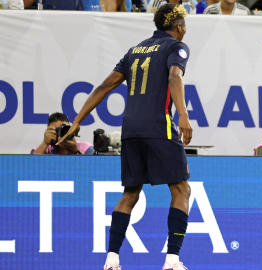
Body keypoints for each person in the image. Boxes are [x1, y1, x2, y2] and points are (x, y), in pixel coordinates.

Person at [57, 4, 192, 270]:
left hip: (130, 130)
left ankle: (111, 260)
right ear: (179, 27)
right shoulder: (176, 47)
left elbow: (105, 85)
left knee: (130, 193)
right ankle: (173, 261)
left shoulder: (135, 51)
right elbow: (175, 76)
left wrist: (77, 120)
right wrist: (184, 115)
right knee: (181, 189)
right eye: (184, 26)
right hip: (159, 127)